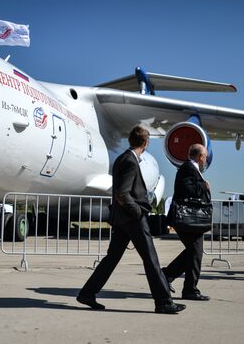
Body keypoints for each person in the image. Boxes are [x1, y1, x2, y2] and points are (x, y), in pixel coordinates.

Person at [76, 126, 185, 314]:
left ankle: (87, 293)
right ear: (146, 142)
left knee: (111, 259)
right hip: (132, 219)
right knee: (151, 260)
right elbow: (122, 194)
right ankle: (164, 302)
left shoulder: (122, 159)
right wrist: (137, 212)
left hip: (121, 219)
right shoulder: (130, 162)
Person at [162, 144, 211, 301]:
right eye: (205, 156)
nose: (206, 159)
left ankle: (167, 276)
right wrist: (204, 186)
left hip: (190, 220)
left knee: (193, 252)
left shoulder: (190, 167)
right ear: (200, 156)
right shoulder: (188, 168)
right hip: (187, 219)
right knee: (195, 252)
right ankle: (189, 289)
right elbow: (186, 188)